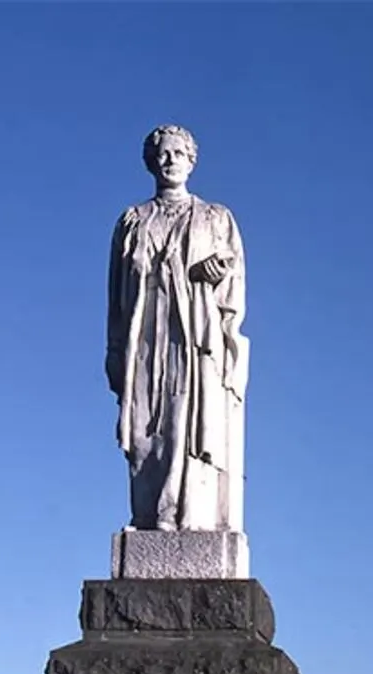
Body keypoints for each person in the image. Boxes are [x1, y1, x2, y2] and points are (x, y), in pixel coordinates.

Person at [106, 125, 249, 532]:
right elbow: (115, 295)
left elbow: (234, 281)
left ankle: (186, 514)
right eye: (162, 154)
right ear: (151, 162)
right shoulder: (132, 221)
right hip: (145, 336)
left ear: (192, 160)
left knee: (184, 421)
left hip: (194, 336)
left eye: (178, 154)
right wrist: (114, 349)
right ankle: (148, 514)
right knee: (144, 423)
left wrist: (212, 276)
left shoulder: (214, 218)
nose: (170, 161)